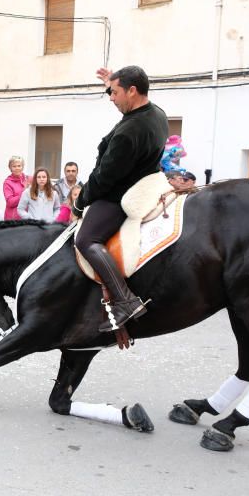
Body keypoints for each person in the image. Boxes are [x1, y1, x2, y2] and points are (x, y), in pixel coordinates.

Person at [72, 65, 169, 332]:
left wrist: (80, 202)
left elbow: (104, 177)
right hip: (144, 179)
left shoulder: (130, 132)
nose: (111, 98)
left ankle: (124, 300)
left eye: (114, 93)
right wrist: (112, 81)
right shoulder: (156, 112)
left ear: (132, 91)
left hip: (120, 192)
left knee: (85, 239)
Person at [2, 156, 28, 221]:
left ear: (22, 167)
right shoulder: (7, 182)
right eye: (14, 166)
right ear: (10, 168)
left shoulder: (28, 179)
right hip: (13, 219)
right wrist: (24, 193)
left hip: (27, 218)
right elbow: (10, 202)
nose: (17, 168)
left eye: (19, 166)